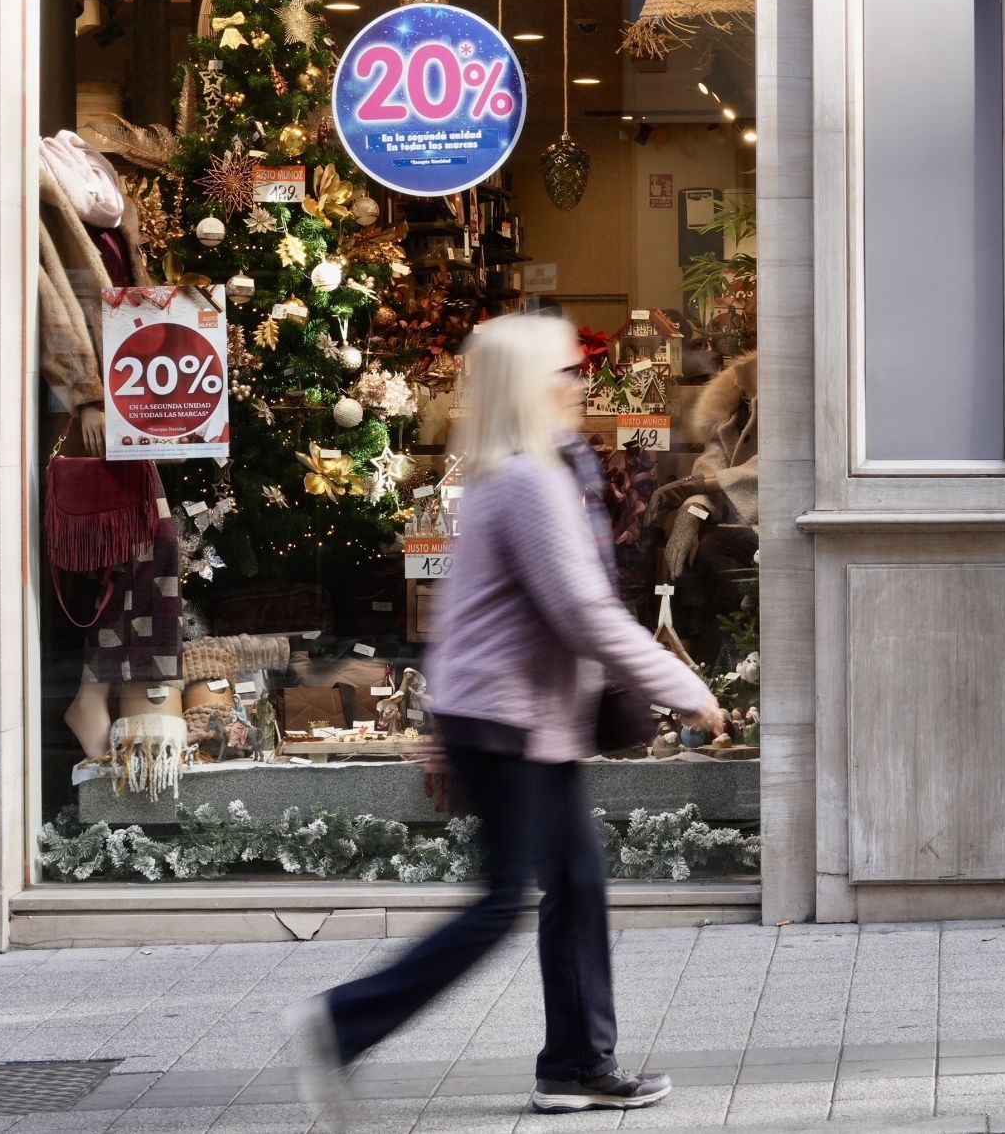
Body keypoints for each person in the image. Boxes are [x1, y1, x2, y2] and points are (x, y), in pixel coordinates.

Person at [287, 314, 726, 1124]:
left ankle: (576, 1067)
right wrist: (683, 686)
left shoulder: (526, 474)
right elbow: (581, 612)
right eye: (565, 375)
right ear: (532, 387)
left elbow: (486, 614)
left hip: (511, 717)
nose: (580, 387)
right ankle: (341, 1022)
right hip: (505, 721)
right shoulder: (526, 481)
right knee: (503, 901)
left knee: (576, 882)